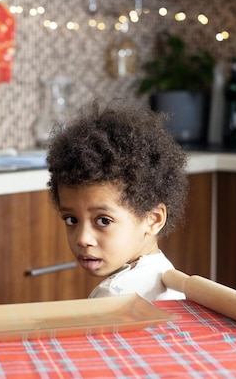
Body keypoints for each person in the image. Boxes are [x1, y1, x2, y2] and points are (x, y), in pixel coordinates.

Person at [46, 99, 188, 301]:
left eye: (104, 220)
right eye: (71, 220)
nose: (82, 239)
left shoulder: (113, 294)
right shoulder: (163, 271)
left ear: (153, 219)